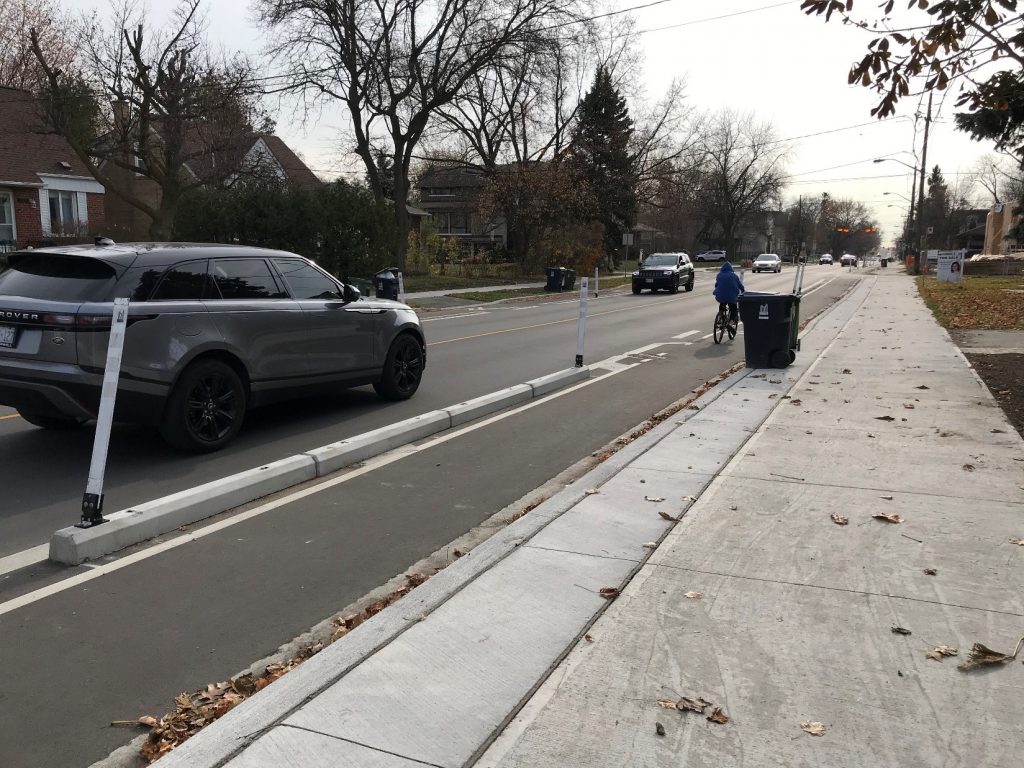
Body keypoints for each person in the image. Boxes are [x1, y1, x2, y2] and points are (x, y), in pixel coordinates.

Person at [714, 261, 744, 327]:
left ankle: (721, 317)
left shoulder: (719, 275)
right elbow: (740, 286)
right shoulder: (734, 276)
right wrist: (743, 291)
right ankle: (731, 321)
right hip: (732, 296)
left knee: (722, 304)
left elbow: (716, 285)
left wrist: (716, 291)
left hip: (721, 296)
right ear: (731, 268)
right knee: (733, 307)